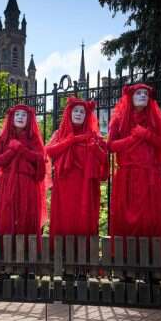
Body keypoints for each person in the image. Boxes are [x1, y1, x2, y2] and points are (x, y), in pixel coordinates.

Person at [108, 83, 161, 238]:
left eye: (146, 94)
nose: (143, 95)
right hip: (127, 176)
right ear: (130, 97)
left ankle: (151, 255)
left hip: (149, 176)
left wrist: (147, 135)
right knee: (125, 218)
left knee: (149, 218)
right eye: (138, 93)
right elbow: (110, 146)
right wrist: (132, 139)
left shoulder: (155, 119)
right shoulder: (119, 119)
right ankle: (124, 256)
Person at [46, 97, 107, 238]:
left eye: (82, 112)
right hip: (64, 185)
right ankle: (61, 252)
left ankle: (85, 253)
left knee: (84, 217)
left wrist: (95, 148)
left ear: (87, 116)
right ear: (69, 113)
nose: (79, 114)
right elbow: (49, 151)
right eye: (76, 111)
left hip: (86, 185)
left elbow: (104, 158)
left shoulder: (94, 136)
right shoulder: (59, 134)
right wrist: (71, 140)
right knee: (65, 216)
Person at [0, 104, 47, 240]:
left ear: (29, 120)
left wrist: (21, 149)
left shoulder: (34, 139)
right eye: (17, 114)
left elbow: (40, 160)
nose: (20, 117)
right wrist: (11, 151)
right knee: (6, 216)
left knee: (26, 216)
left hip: (28, 184)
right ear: (11, 118)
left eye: (24, 115)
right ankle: (5, 252)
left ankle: (28, 252)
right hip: (7, 183)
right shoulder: (3, 138)